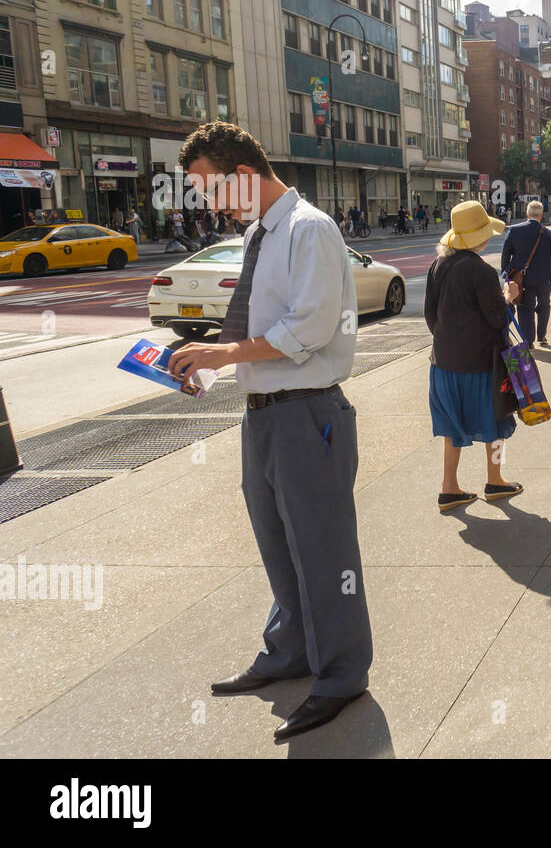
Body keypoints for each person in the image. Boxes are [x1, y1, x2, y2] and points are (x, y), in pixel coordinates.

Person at [167, 120, 372, 741]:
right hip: (264, 414)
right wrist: (204, 359)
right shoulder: (261, 232)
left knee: (324, 551)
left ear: (245, 175)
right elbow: (260, 331)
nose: (206, 204)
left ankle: (339, 676)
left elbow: (307, 330)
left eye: (210, 189)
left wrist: (222, 357)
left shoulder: (309, 228)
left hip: (307, 414)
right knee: (279, 545)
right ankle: (291, 653)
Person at [425, 200, 521, 513]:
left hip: (443, 365)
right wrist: (509, 297)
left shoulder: (438, 265)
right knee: (497, 420)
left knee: (452, 428)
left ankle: (448, 488)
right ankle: (495, 480)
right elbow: (498, 319)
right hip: (481, 365)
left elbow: (430, 316)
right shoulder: (481, 271)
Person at [501, 200, 551, 347]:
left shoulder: (514, 230)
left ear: (527, 213)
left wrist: (505, 273)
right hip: (544, 278)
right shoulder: (549, 234)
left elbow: (505, 254)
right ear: (541, 215)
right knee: (544, 306)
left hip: (522, 279)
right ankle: (542, 335)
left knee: (525, 308)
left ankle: (528, 340)